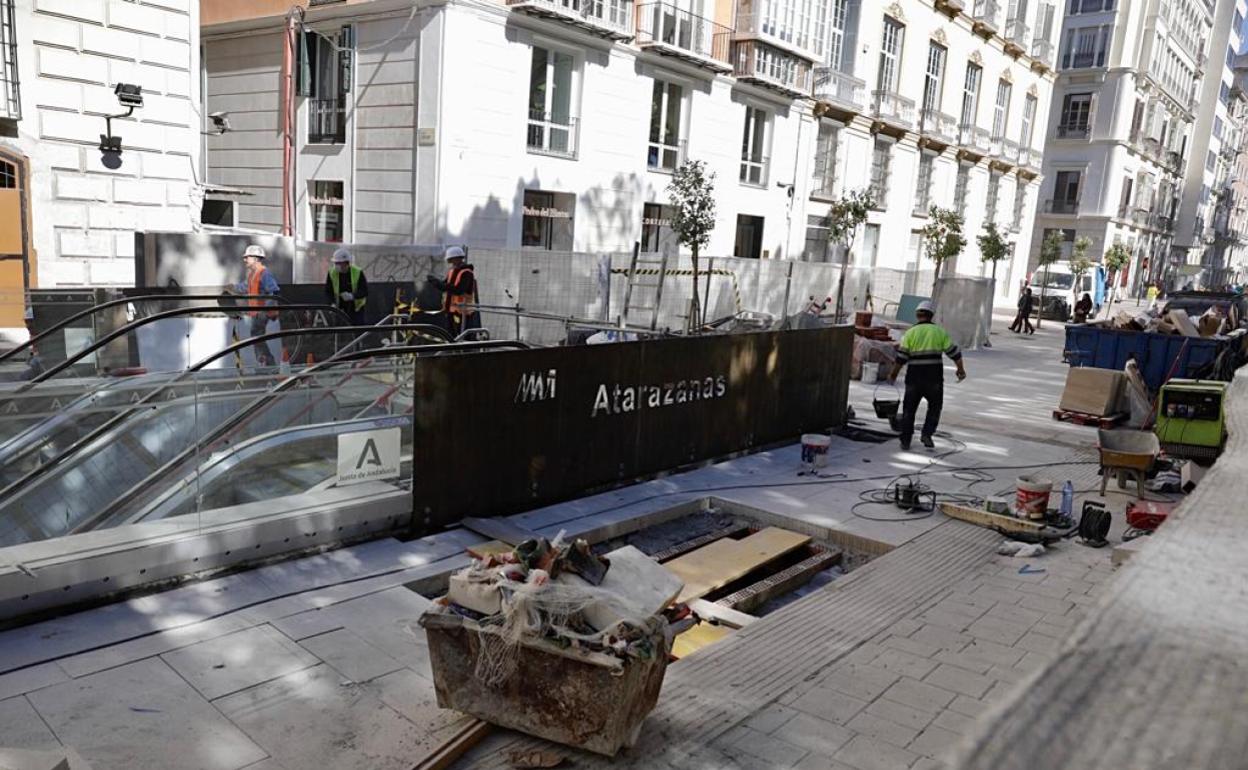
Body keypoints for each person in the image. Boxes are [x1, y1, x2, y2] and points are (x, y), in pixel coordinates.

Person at [888, 301, 966, 450]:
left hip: (914, 378)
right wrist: (960, 370)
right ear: (932, 316)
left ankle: (905, 440)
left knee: (909, 409)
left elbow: (901, 358)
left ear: (917, 315)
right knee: (935, 407)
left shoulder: (910, 333)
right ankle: (927, 434)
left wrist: (893, 374)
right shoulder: (939, 332)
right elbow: (955, 353)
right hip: (934, 379)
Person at [232, 244, 280, 366]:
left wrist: (264, 310)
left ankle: (268, 362)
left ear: (255, 258)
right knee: (256, 336)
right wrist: (232, 287)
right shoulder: (253, 274)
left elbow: (273, 291)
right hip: (257, 312)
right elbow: (244, 287)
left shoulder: (264, 273)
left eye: (247, 257)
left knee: (256, 335)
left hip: (262, 312)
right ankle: (263, 361)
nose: (244, 260)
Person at [426, 246, 480, 336]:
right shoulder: (452, 271)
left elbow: (458, 290)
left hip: (462, 312)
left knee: (463, 335)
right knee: (451, 335)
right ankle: (454, 350)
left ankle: (465, 350)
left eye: (450, 259)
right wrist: (435, 282)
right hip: (451, 310)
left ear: (457, 258)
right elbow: (445, 286)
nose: (449, 262)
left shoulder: (466, 273)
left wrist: (439, 283)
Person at [325, 247, 369, 326]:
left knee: (358, 330)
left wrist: (352, 296)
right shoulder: (332, 273)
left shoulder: (357, 272)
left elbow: (365, 291)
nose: (336, 265)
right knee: (340, 332)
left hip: (356, 309)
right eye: (335, 263)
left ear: (346, 263)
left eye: (338, 263)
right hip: (339, 308)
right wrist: (331, 304)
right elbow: (328, 291)